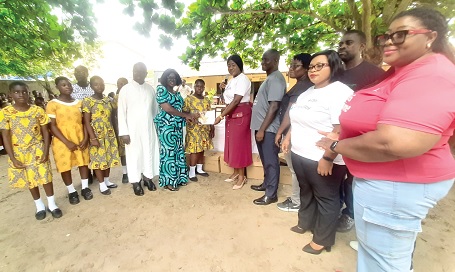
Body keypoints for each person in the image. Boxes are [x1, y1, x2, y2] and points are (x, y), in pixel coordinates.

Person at [316, 8, 455, 271]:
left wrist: (336, 146)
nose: (390, 41)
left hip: (397, 184)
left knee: (385, 264)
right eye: (387, 36)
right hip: (386, 181)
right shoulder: (406, 71)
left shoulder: (432, 73)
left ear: (431, 37)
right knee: (378, 257)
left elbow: (396, 142)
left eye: (401, 35)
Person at [282, 50, 353, 254]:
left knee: (327, 198)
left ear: (334, 66)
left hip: (322, 158)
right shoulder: (308, 92)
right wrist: (288, 138)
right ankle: (305, 223)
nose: (313, 70)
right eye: (312, 66)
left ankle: (322, 239)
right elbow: (297, 119)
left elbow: (341, 130)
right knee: (307, 192)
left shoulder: (340, 92)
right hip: (300, 154)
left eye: (320, 66)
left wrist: (327, 158)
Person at [336, 30, 385, 233]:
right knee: (336, 174)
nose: (343, 47)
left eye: (349, 43)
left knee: (354, 178)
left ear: (362, 47)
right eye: (340, 44)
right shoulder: (335, 74)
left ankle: (351, 214)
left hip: (362, 137)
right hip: (336, 134)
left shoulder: (375, 75)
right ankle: (338, 207)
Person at [0, 81, 62, 220]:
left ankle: (52, 204)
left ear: (28, 93)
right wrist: (12, 158)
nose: (21, 94)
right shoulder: (6, 112)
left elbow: (46, 132)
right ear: (10, 94)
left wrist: (46, 151)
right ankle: (39, 205)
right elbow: (5, 136)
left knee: (46, 177)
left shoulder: (37, 110)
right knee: (30, 180)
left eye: (24, 91)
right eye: (16, 92)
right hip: (19, 152)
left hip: (38, 148)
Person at [274, 53, 313, 212]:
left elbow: (290, 113)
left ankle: (297, 201)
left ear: (305, 69)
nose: (290, 68)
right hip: (296, 132)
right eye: (290, 65)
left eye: (295, 66)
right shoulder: (301, 85)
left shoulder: (302, 87)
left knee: (294, 170)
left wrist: (280, 132)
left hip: (293, 133)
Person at [46, 77, 92, 204]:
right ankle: (71, 191)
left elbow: (84, 122)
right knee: (65, 165)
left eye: (69, 85)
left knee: (83, 162)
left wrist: (86, 138)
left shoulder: (78, 103)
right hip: (62, 140)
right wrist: (67, 142)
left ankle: (85, 187)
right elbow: (52, 126)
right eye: (64, 85)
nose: (68, 87)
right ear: (58, 87)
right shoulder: (52, 104)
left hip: (79, 137)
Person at [250, 49, 286, 205]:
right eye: (262, 60)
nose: (263, 62)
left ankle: (271, 194)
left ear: (276, 61)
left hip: (269, 130)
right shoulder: (270, 78)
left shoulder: (276, 79)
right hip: (262, 128)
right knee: (265, 160)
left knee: (271, 161)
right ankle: (267, 185)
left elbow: (274, 106)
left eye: (267, 60)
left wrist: (263, 129)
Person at [118, 62, 160, 196]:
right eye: (136, 71)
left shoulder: (150, 89)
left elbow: (155, 111)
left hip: (148, 128)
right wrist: (124, 132)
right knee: (134, 155)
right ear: (132, 72)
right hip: (132, 130)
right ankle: (136, 182)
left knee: (148, 152)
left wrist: (156, 127)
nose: (139, 74)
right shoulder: (125, 89)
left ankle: (148, 178)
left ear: (146, 74)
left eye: (142, 72)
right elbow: (121, 113)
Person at [154, 69, 199, 191]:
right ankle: (169, 182)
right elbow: (167, 108)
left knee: (179, 151)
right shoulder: (161, 90)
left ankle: (180, 178)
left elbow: (180, 110)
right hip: (166, 126)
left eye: (174, 78)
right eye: (169, 77)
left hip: (177, 126)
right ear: (164, 78)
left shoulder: (177, 93)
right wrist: (186, 116)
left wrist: (191, 115)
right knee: (168, 153)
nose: (171, 79)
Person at [214, 54, 253, 189]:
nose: (231, 68)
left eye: (233, 65)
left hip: (240, 115)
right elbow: (228, 100)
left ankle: (242, 177)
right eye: (229, 66)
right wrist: (223, 89)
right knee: (232, 144)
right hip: (232, 114)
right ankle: (236, 173)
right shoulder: (232, 80)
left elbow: (236, 100)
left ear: (239, 65)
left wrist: (221, 116)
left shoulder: (243, 79)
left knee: (239, 145)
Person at [82, 76, 120, 195]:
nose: (100, 86)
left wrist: (116, 133)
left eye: (102, 84)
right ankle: (101, 184)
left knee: (108, 156)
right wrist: (92, 138)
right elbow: (86, 121)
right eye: (96, 84)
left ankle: (107, 181)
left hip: (109, 133)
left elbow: (113, 118)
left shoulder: (109, 100)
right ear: (91, 86)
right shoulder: (88, 101)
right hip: (96, 134)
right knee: (98, 159)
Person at [183, 79, 214, 182]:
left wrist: (212, 128)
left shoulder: (207, 100)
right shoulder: (189, 99)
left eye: (202, 87)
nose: (199, 88)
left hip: (204, 129)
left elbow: (210, 115)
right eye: (197, 86)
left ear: (204, 88)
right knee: (194, 150)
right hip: (193, 129)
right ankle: (192, 172)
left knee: (202, 148)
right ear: (194, 87)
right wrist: (191, 116)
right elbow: (184, 112)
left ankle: (199, 169)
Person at [112, 77, 129, 183]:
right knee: (123, 151)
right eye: (119, 83)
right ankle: (125, 173)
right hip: (121, 127)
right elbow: (113, 113)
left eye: (123, 83)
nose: (121, 85)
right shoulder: (116, 98)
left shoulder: (131, 94)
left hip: (133, 126)